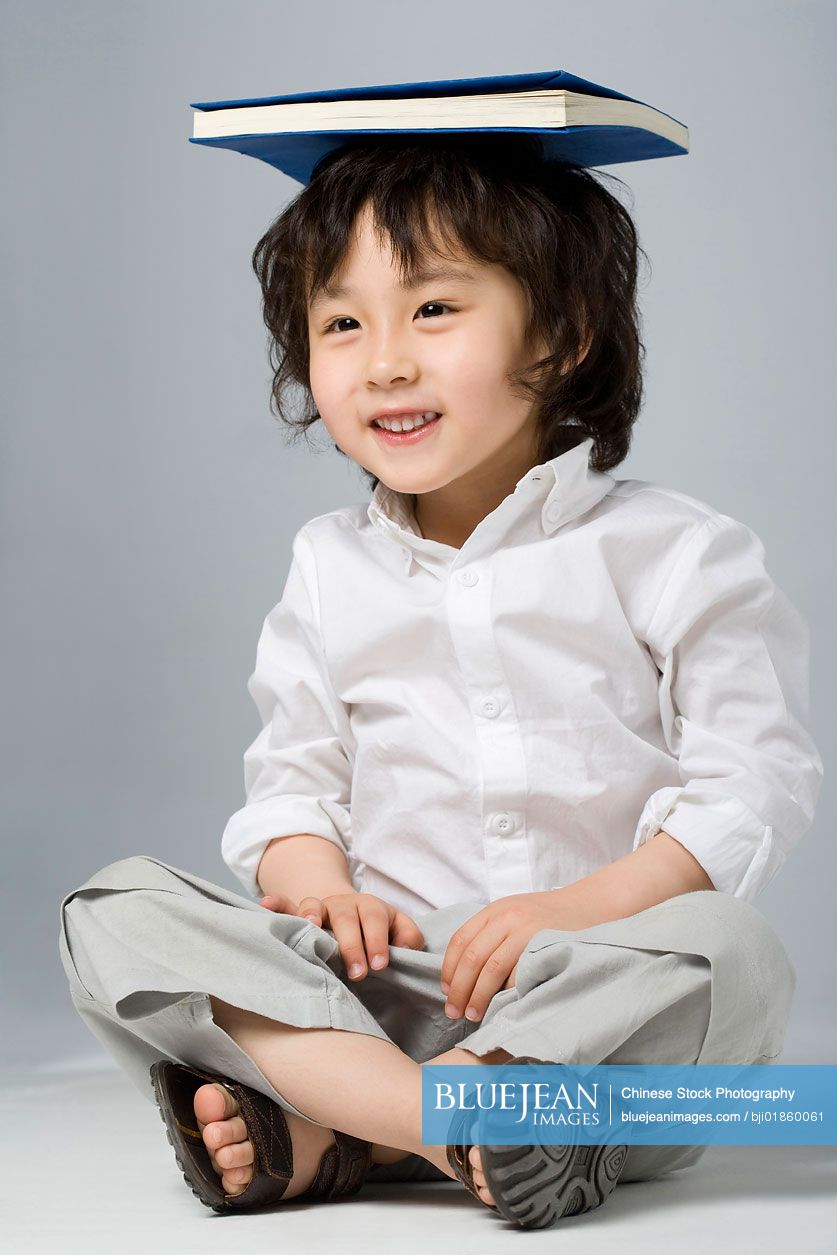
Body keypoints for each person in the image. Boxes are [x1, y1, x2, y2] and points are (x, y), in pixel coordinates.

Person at [58, 133, 823, 1230]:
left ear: (561, 333)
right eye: (340, 323)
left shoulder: (678, 550)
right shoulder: (329, 566)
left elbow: (756, 783)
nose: (383, 363)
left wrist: (568, 910)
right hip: (385, 994)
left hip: (597, 1000)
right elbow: (292, 779)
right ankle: (463, 1122)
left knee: (737, 953)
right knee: (110, 908)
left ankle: (344, 1128)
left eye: (432, 311)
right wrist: (318, 882)